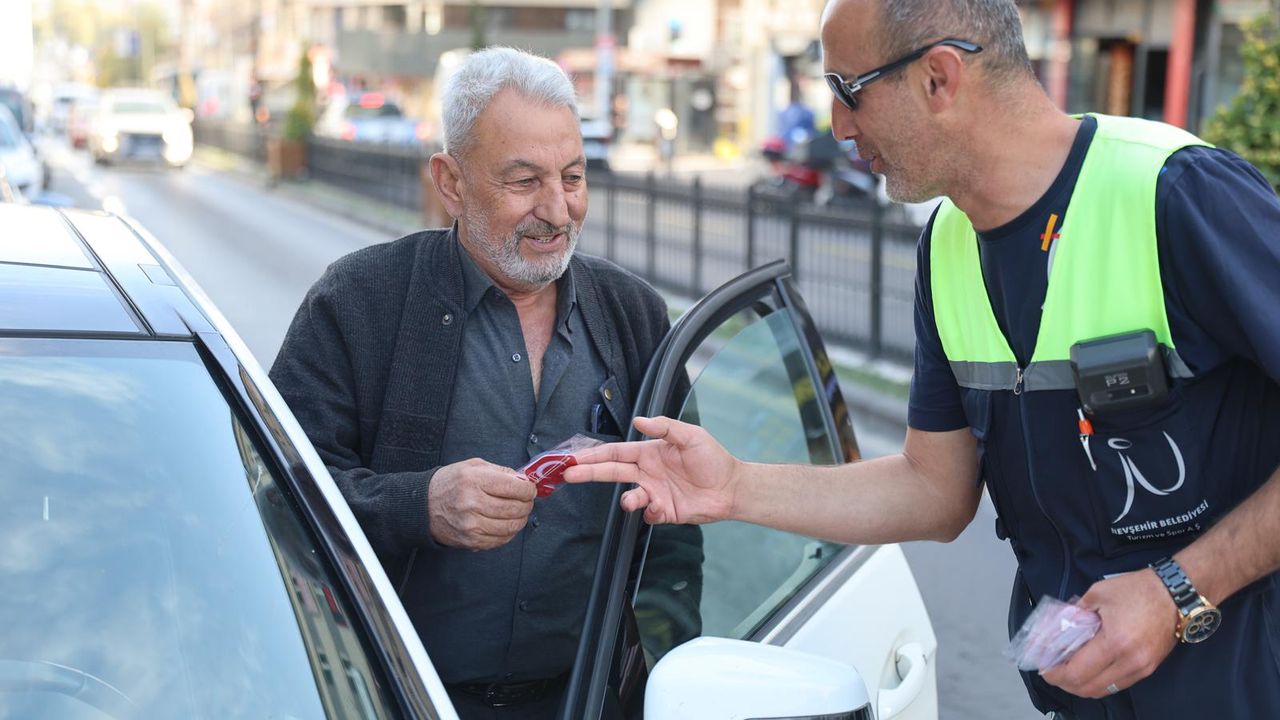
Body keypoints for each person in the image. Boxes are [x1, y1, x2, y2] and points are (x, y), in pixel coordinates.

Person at [565, 1, 1280, 718]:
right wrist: (733, 487)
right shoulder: (945, 248)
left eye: (849, 90)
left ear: (939, 77)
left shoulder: (1174, 194)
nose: (839, 126)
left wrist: (1177, 591)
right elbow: (933, 491)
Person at [270, 47, 700, 719]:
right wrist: (419, 505)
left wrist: (674, 685)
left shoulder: (634, 316)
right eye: (524, 181)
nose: (558, 211)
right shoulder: (358, 302)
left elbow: (677, 533)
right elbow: (278, 493)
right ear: (451, 182)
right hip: (398, 700)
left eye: (574, 176)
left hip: (589, 703)